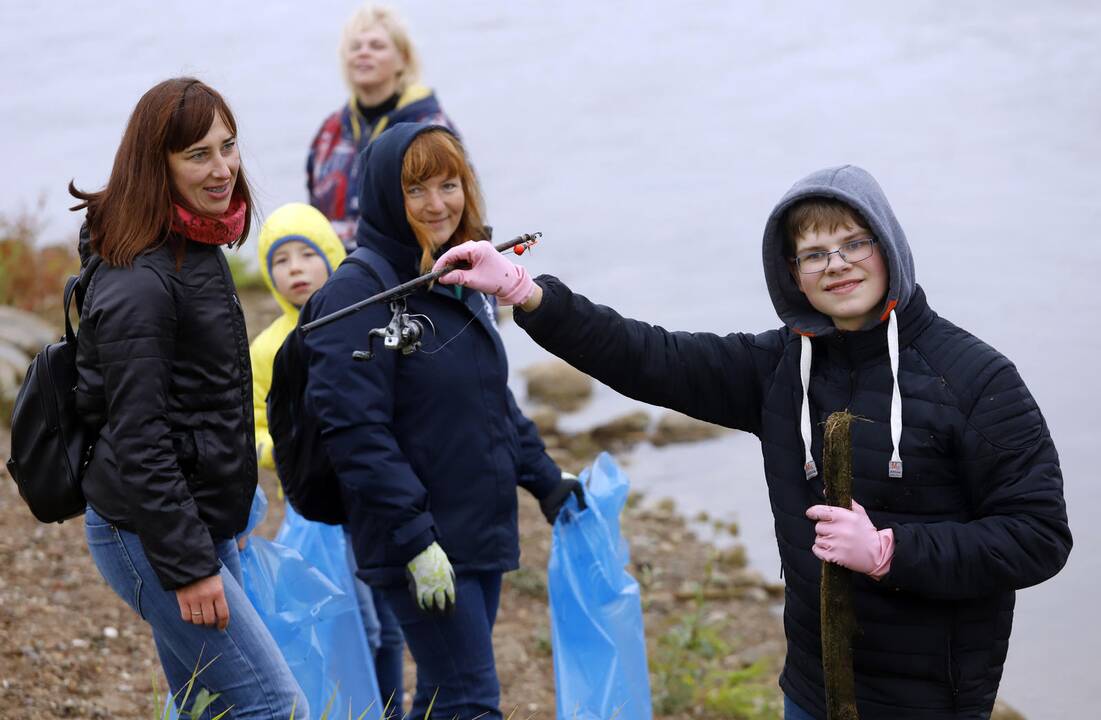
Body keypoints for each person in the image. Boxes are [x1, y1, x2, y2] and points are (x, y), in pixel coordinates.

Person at [434, 164, 1073, 719]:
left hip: (932, 700)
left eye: (856, 243)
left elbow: (1038, 535)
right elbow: (649, 357)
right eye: (815, 253)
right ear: (793, 273)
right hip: (812, 687)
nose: (838, 265)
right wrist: (527, 293)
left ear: (890, 249)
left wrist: (888, 551)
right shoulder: (778, 369)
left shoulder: (975, 380)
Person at [300, 122, 580, 720]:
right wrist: (416, 540)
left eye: (449, 185)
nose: (438, 205)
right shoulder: (358, 296)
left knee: (438, 696)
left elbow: (491, 404)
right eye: (416, 190)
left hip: (477, 531)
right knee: (471, 701)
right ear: (384, 197)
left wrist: (548, 482)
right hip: (419, 539)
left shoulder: (459, 280)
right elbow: (355, 433)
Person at [70, 77, 309, 720]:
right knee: (274, 707)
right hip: (150, 532)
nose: (224, 168)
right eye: (198, 154)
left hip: (199, 520)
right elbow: (139, 437)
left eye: (228, 146)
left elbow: (202, 403)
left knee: (208, 709)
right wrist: (190, 566)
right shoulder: (140, 282)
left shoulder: (193, 244)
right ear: (158, 165)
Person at [249, 201, 404, 706]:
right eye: (280, 260)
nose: (294, 268)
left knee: (390, 612)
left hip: (372, 492)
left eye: (306, 255)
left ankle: (390, 704)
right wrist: (280, 450)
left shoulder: (363, 322)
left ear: (333, 256)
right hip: (315, 509)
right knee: (352, 617)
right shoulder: (267, 349)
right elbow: (250, 421)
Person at [308, 2, 457, 249]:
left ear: (403, 59)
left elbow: (454, 212)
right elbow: (312, 212)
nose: (363, 53)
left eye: (376, 46)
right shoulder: (330, 132)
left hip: (407, 275)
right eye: (355, 47)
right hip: (336, 276)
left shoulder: (429, 127)